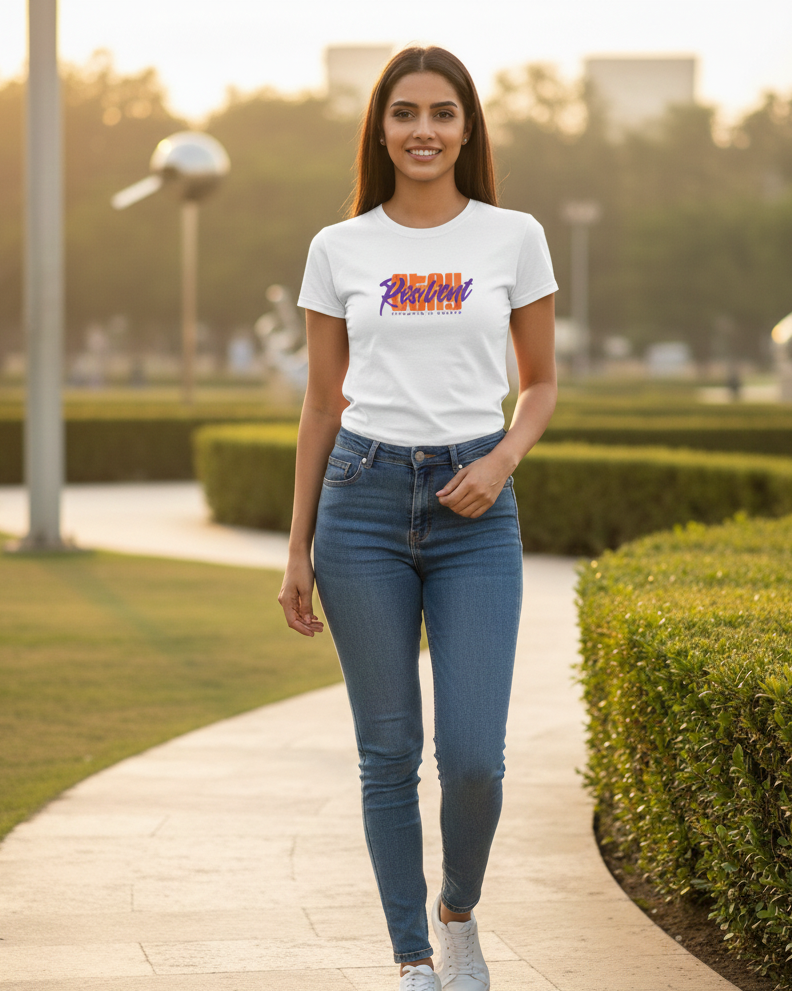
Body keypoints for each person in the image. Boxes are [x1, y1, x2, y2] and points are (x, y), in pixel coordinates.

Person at [278, 45, 558, 991]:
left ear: (468, 127)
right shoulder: (339, 246)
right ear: (381, 128)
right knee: (387, 748)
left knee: (474, 755)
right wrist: (296, 550)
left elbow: (543, 382)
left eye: (442, 112)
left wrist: (501, 459)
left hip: (475, 511)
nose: (424, 130)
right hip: (359, 504)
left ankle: (459, 913)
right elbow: (321, 403)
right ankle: (411, 959)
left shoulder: (512, 235)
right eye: (404, 113)